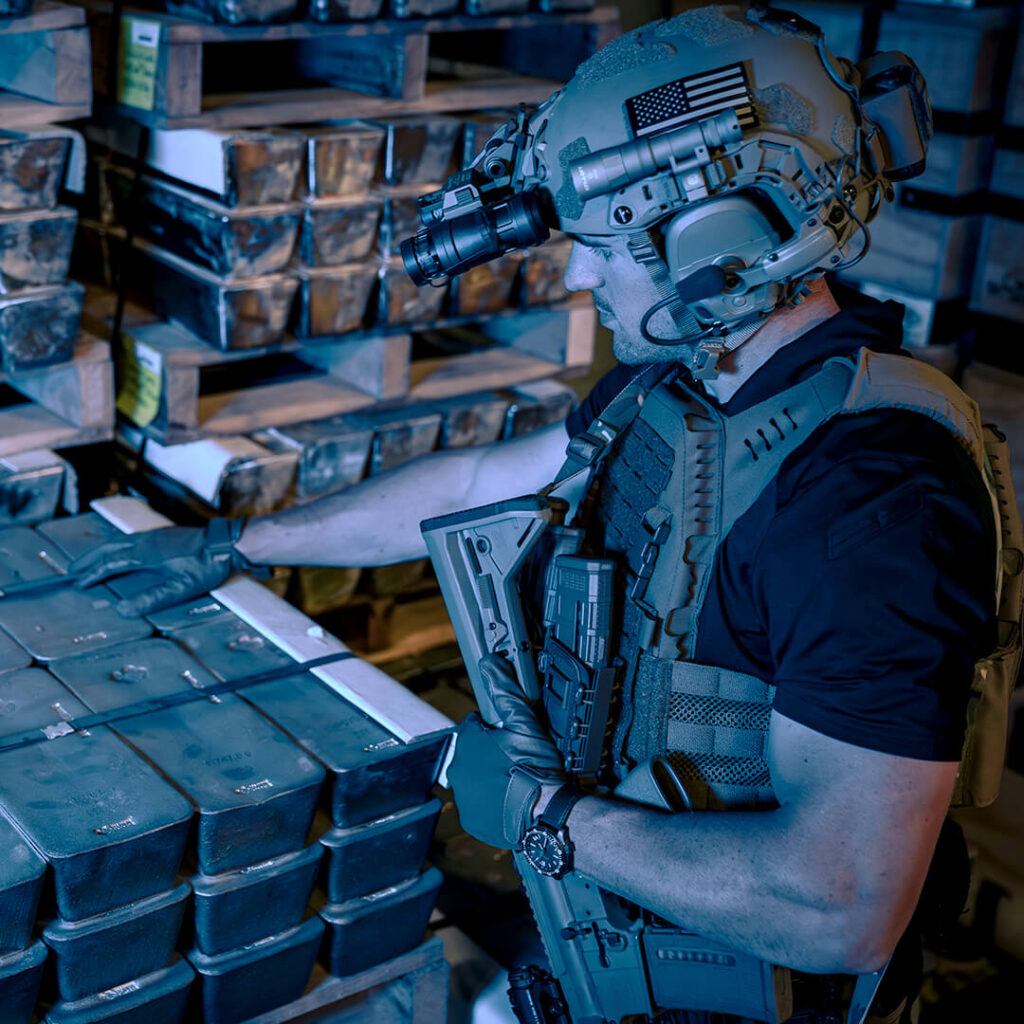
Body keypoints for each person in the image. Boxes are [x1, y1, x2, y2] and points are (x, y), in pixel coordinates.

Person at [72, 6, 1021, 1023]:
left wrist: (547, 817)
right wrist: (240, 543)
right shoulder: (682, 387)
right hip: (617, 956)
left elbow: (839, 901)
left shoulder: (872, 500)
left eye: (600, 247)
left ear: (717, 243)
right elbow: (481, 484)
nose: (576, 275)